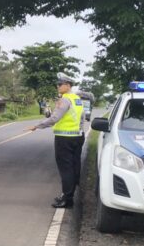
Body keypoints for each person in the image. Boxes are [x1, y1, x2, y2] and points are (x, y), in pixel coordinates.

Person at [25, 73, 94, 208]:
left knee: (66, 169)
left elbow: (54, 118)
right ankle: (69, 195)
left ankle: (67, 199)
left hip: (64, 139)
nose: (58, 86)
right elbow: (82, 117)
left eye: (60, 84)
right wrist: (79, 132)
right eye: (58, 84)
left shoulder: (65, 100)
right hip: (77, 137)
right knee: (74, 167)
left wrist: (36, 126)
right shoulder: (77, 99)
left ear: (68, 86)